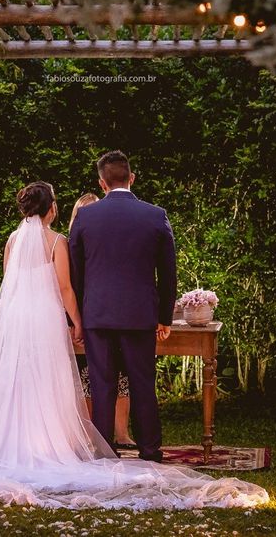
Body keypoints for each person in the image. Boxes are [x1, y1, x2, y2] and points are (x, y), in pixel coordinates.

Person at [0, 181, 268, 510]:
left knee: (19, 381)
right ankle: (51, 447)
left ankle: (11, 444)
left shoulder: (12, 241)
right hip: (45, 318)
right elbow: (65, 288)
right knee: (49, 381)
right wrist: (78, 322)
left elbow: (9, 284)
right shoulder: (56, 241)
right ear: (51, 209)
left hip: (16, 319)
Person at [69, 151, 176, 462]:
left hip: (97, 316)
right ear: (132, 178)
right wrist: (164, 317)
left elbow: (77, 272)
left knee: (102, 385)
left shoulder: (86, 217)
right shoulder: (155, 215)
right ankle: (151, 451)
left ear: (102, 184)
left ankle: (105, 454)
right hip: (140, 316)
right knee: (143, 383)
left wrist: (76, 317)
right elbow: (168, 272)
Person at [69, 193, 135, 448]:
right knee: (87, 377)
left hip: (111, 320)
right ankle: (90, 436)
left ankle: (122, 433)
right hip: (83, 319)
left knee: (121, 375)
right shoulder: (68, 245)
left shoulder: (111, 244)